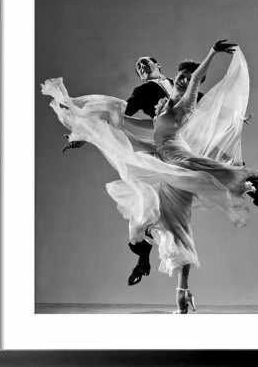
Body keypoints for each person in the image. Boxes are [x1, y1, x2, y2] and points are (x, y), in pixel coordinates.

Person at [41, 40, 258, 313]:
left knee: (213, 169)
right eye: (179, 76)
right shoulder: (159, 115)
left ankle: (252, 186)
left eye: (185, 77)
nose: (182, 79)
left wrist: (212, 53)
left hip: (182, 163)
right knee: (174, 229)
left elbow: (195, 82)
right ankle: (183, 293)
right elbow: (125, 127)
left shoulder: (185, 106)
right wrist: (85, 136)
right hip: (167, 170)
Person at [61, 55, 204, 287]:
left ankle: (252, 188)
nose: (141, 66)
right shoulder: (144, 90)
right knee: (149, 204)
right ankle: (145, 259)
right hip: (157, 146)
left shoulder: (179, 82)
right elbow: (119, 115)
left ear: (159, 65)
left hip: (184, 146)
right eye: (138, 66)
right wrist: (86, 135)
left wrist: (236, 117)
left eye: (145, 62)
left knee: (177, 201)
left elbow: (206, 103)